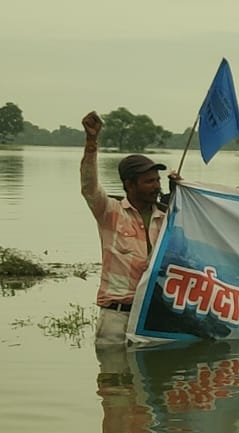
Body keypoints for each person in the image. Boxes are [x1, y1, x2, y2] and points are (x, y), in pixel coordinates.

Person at [79, 111, 168, 346]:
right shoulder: (111, 212)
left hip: (153, 316)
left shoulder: (167, 216)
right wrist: (91, 143)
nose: (156, 186)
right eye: (149, 181)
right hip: (117, 317)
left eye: (158, 180)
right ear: (129, 185)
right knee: (113, 380)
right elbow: (89, 187)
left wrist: (183, 194)